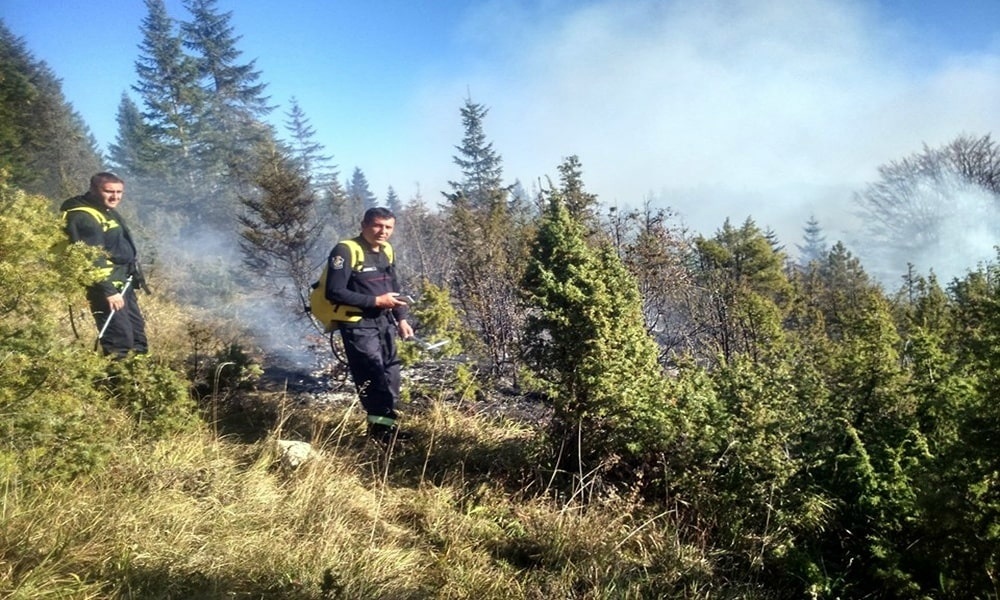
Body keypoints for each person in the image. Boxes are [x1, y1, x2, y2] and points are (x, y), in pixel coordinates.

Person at [324, 207, 414, 443]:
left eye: (388, 227)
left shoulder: (387, 251)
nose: (382, 231)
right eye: (377, 225)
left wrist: (401, 318)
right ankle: (383, 436)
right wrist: (376, 301)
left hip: (384, 322)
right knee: (372, 376)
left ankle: (384, 428)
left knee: (391, 375)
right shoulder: (345, 250)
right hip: (357, 324)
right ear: (363, 224)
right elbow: (334, 292)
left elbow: (394, 287)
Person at [60, 172, 148, 358]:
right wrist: (108, 291)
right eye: (109, 191)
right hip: (106, 286)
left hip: (122, 281)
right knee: (119, 341)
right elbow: (90, 256)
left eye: (119, 192)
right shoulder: (83, 216)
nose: (115, 197)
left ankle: (140, 382)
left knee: (137, 337)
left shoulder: (104, 210)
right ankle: (118, 383)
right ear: (93, 189)